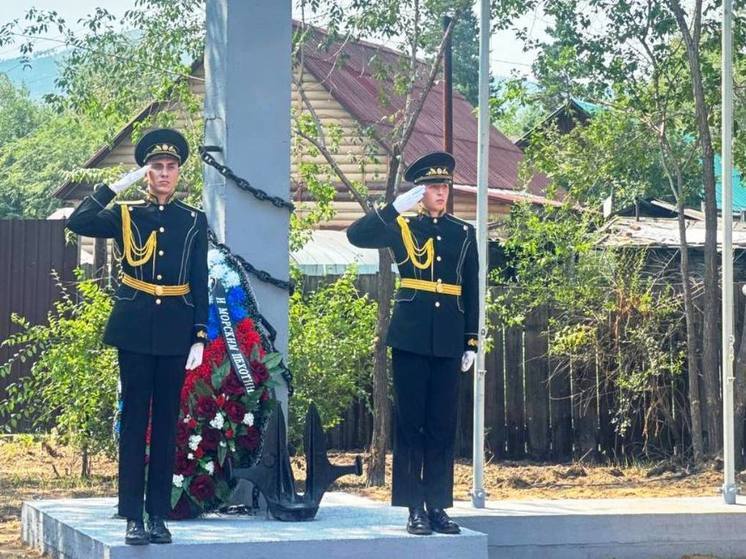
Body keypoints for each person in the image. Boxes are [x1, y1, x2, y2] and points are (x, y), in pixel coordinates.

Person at [66, 128, 208, 545]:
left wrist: (200, 334)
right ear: (146, 173)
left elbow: (199, 279)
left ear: (179, 173)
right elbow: (79, 221)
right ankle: (132, 515)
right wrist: (112, 187)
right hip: (134, 327)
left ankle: (158, 514)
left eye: (170, 167)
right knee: (134, 423)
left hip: (176, 331)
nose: (164, 174)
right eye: (156, 167)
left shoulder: (193, 220)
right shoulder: (126, 214)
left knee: (166, 424)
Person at [346, 151, 479, 536]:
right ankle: (413, 507)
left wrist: (471, 340)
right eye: (434, 187)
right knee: (411, 426)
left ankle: (437, 505)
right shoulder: (403, 226)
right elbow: (356, 235)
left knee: (441, 425)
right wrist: (391, 209)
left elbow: (471, 289)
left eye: (445, 186)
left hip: (450, 338)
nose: (441, 192)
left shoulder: (463, 233)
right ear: (420, 192)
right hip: (411, 336)